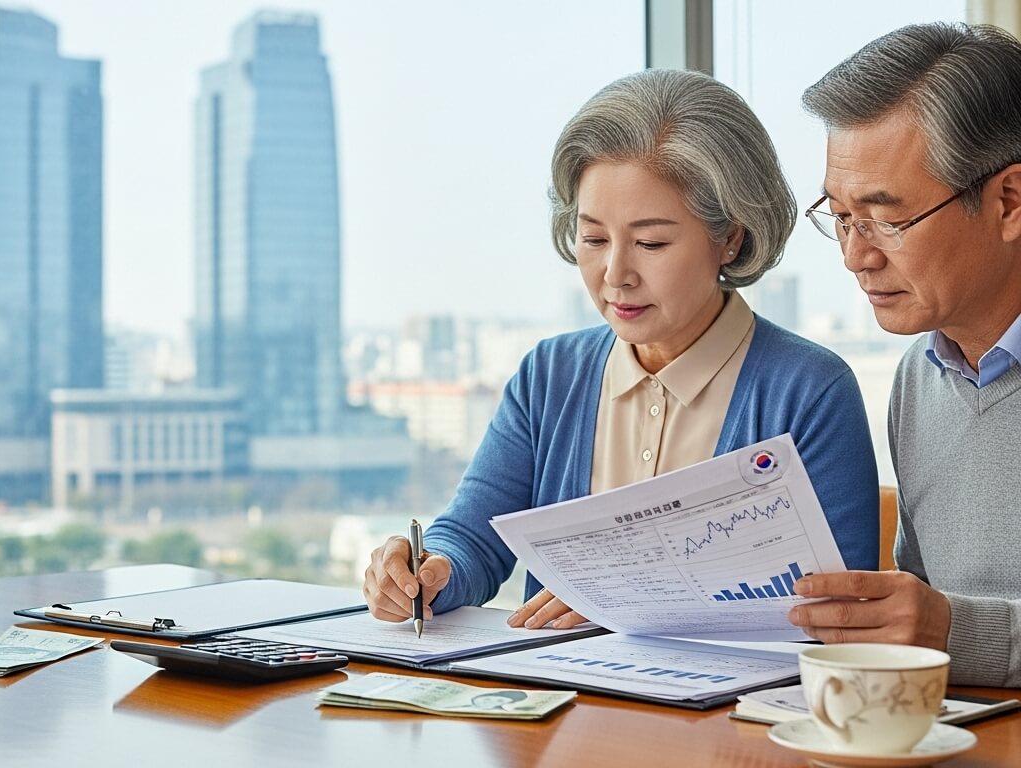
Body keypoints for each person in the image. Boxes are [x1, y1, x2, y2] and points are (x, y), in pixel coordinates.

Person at [363, 69, 880, 631]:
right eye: (593, 238)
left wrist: (630, 600)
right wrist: (428, 572)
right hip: (557, 688)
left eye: (650, 243)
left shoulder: (811, 391)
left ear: (730, 237)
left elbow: (839, 616)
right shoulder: (550, 376)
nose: (615, 274)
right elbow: (473, 540)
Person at [786, 22, 1021, 687]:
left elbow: (946, 628)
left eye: (887, 219)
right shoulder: (921, 377)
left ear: (1009, 201)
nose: (856, 256)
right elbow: (921, 612)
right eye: (840, 216)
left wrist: (958, 632)